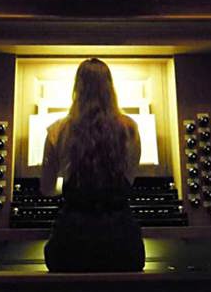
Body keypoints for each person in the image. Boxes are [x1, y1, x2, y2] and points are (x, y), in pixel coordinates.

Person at [41, 58, 145, 272]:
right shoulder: (130, 128)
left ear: (77, 88)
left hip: (71, 245)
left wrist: (69, 182)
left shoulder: (57, 130)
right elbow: (129, 180)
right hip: (122, 244)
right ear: (110, 88)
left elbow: (46, 189)